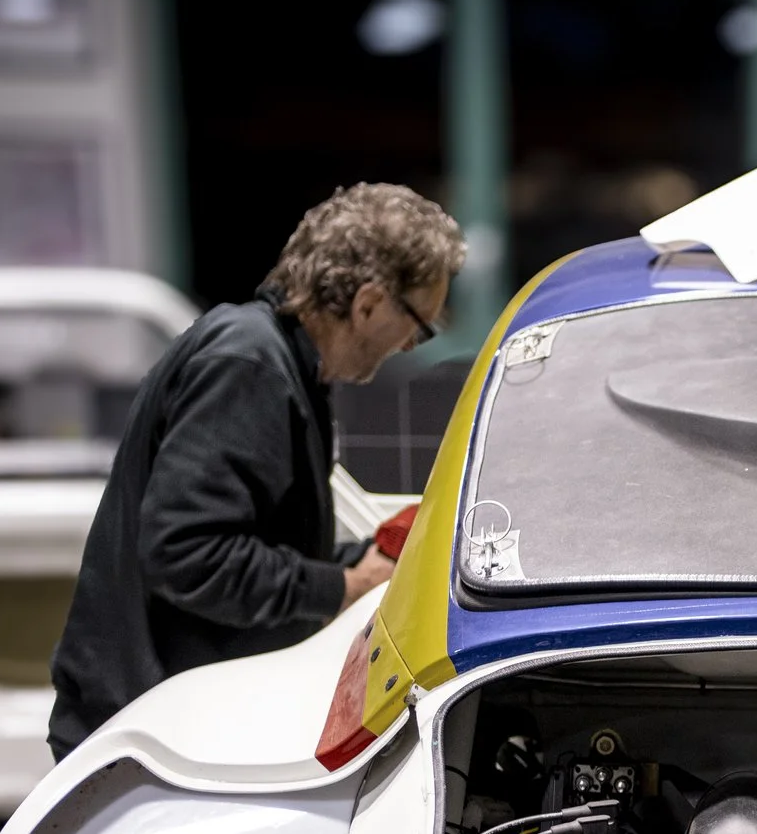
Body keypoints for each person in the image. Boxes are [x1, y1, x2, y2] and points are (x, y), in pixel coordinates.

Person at [48, 183, 465, 758]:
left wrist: (365, 560)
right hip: (148, 741)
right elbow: (188, 555)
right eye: (418, 326)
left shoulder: (270, 356)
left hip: (168, 717)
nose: (408, 347)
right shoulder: (249, 365)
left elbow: (254, 543)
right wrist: (341, 584)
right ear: (369, 303)